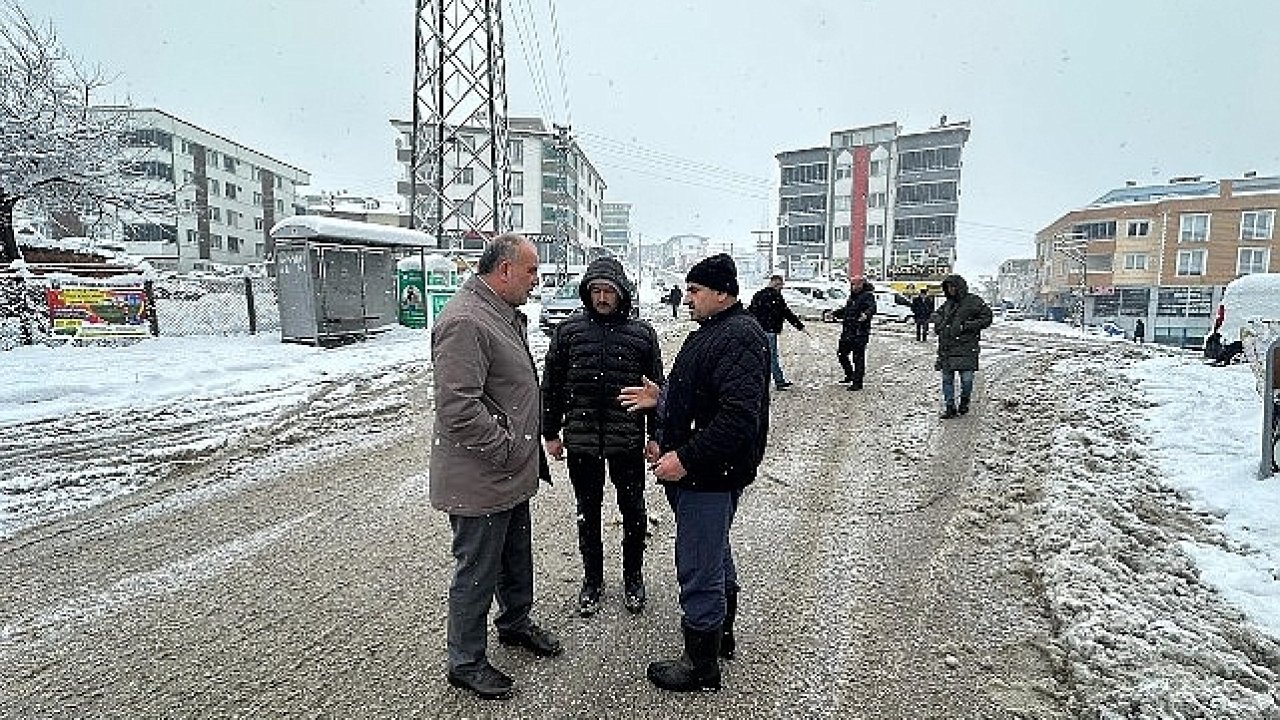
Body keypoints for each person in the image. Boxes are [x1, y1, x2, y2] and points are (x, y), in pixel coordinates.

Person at [618, 253, 770, 693]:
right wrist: (662, 401)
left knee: (699, 563)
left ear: (723, 293)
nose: (687, 298)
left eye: (695, 291)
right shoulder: (715, 332)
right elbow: (702, 397)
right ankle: (720, 638)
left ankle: (701, 666)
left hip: (709, 473)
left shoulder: (738, 336)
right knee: (714, 551)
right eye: (687, 290)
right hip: (707, 470)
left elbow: (736, 417)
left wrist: (683, 459)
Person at [430, 233, 562, 700]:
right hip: (483, 473)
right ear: (504, 270)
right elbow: (458, 407)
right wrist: (507, 448)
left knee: (513, 558)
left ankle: (515, 623)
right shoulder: (466, 320)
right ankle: (465, 662)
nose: (536, 279)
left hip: (509, 471)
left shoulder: (499, 312)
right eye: (531, 270)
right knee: (477, 571)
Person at [542, 256, 664, 618]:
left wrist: (655, 436)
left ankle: (633, 577)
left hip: (626, 440)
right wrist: (550, 432)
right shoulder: (568, 332)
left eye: (608, 290)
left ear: (621, 292)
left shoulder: (641, 334)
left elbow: (656, 389)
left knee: (633, 512)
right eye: (595, 290)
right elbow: (552, 385)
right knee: (587, 513)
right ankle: (592, 580)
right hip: (581, 441)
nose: (601, 297)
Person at [932, 274, 993, 419]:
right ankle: (950, 407)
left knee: (967, 380)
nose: (950, 290)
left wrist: (966, 326)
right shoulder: (948, 304)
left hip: (966, 346)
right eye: (947, 287)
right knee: (947, 380)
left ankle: (964, 402)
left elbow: (987, 318)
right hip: (947, 347)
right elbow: (936, 315)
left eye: (953, 287)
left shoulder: (974, 301)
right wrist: (939, 323)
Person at [747, 274, 805, 390]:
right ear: (776, 283)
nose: (781, 288)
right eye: (781, 286)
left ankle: (764, 382)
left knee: (761, 356)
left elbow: (751, 311)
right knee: (771, 357)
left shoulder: (759, 295)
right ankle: (778, 382)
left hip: (759, 330)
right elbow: (786, 312)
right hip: (769, 331)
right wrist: (799, 326)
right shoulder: (775, 297)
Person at [832, 276, 877, 391]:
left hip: (859, 332)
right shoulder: (852, 297)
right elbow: (847, 310)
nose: (853, 287)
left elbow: (872, 308)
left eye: (855, 285)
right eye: (851, 285)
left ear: (861, 285)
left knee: (858, 358)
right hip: (847, 331)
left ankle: (857, 382)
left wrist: (866, 315)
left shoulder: (868, 295)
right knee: (842, 354)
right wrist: (834, 313)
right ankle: (850, 374)